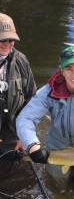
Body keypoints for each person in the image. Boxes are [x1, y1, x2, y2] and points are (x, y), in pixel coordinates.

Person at [16, 45, 74, 186]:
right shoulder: (48, 92)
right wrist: (32, 146)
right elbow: (25, 118)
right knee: (56, 183)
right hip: (58, 146)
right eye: (69, 69)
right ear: (62, 71)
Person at [0, 13, 36, 155]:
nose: (8, 44)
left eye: (11, 39)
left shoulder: (21, 60)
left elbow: (32, 99)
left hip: (13, 130)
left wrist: (24, 135)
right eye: (2, 39)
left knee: (14, 161)